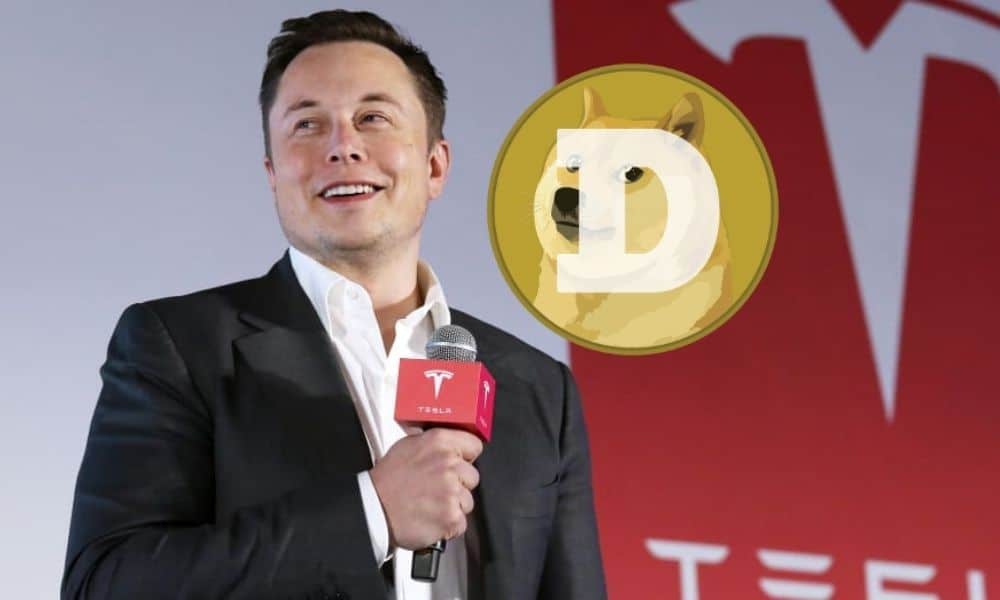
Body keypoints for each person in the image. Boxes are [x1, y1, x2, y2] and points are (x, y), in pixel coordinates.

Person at [62, 10, 606, 600]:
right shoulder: (178, 345)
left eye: (373, 118)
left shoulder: (539, 388)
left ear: (435, 165)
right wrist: (373, 511)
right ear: (273, 173)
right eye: (307, 125)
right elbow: (105, 583)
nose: (343, 147)